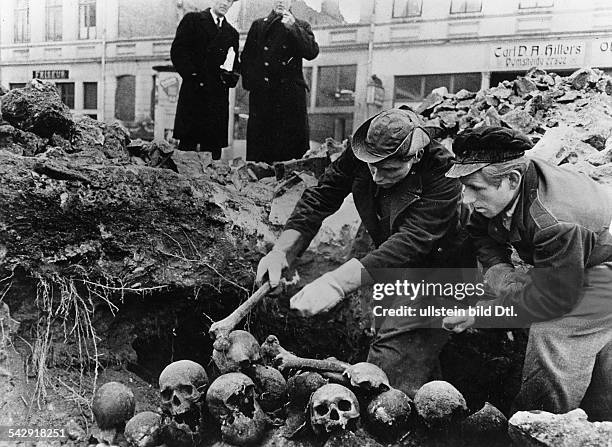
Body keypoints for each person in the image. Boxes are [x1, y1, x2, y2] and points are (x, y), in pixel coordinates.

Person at [256, 108, 475, 397]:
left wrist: (336, 283)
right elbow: (321, 196)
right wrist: (281, 253)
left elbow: (410, 242)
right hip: (391, 266)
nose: (375, 175)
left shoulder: (443, 174)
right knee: (406, 355)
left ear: (416, 157)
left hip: (442, 273)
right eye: (371, 167)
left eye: (388, 169)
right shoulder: (364, 154)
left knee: (383, 373)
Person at [442, 126, 612, 421]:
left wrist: (482, 314)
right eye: (464, 187)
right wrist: (501, 276)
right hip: (574, 258)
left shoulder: (555, 221)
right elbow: (480, 235)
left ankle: (537, 425)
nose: (466, 198)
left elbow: (553, 302)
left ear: (512, 179)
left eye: (476, 189)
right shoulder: (486, 193)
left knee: (555, 331)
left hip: (603, 262)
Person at [241, 0, 319, 163]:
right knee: (262, 153)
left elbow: (311, 52)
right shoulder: (259, 25)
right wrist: (254, 85)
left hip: (289, 97)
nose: (280, 2)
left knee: (290, 152)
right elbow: (247, 58)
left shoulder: (301, 25)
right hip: (264, 96)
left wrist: (293, 28)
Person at [171, 0, 240, 159]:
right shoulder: (193, 20)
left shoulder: (231, 33)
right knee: (187, 150)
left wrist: (230, 78)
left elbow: (235, 64)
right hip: (194, 94)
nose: (225, 3)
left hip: (217, 98)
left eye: (229, 1)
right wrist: (192, 76)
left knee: (213, 152)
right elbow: (178, 51)